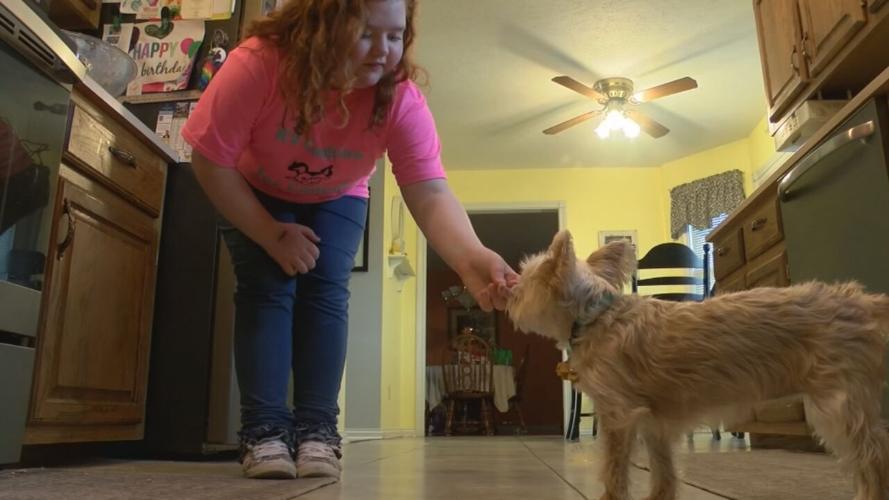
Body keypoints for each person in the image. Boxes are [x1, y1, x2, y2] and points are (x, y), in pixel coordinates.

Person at [181, 0, 517, 481]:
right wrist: (271, 234)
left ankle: (317, 433)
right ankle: (265, 433)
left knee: (325, 294)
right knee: (267, 291)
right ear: (322, 26)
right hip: (252, 189)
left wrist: (471, 258)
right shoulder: (258, 64)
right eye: (366, 33)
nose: (384, 52)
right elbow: (210, 161)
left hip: (339, 194)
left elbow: (429, 190)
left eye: (396, 36)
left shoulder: (400, 97)